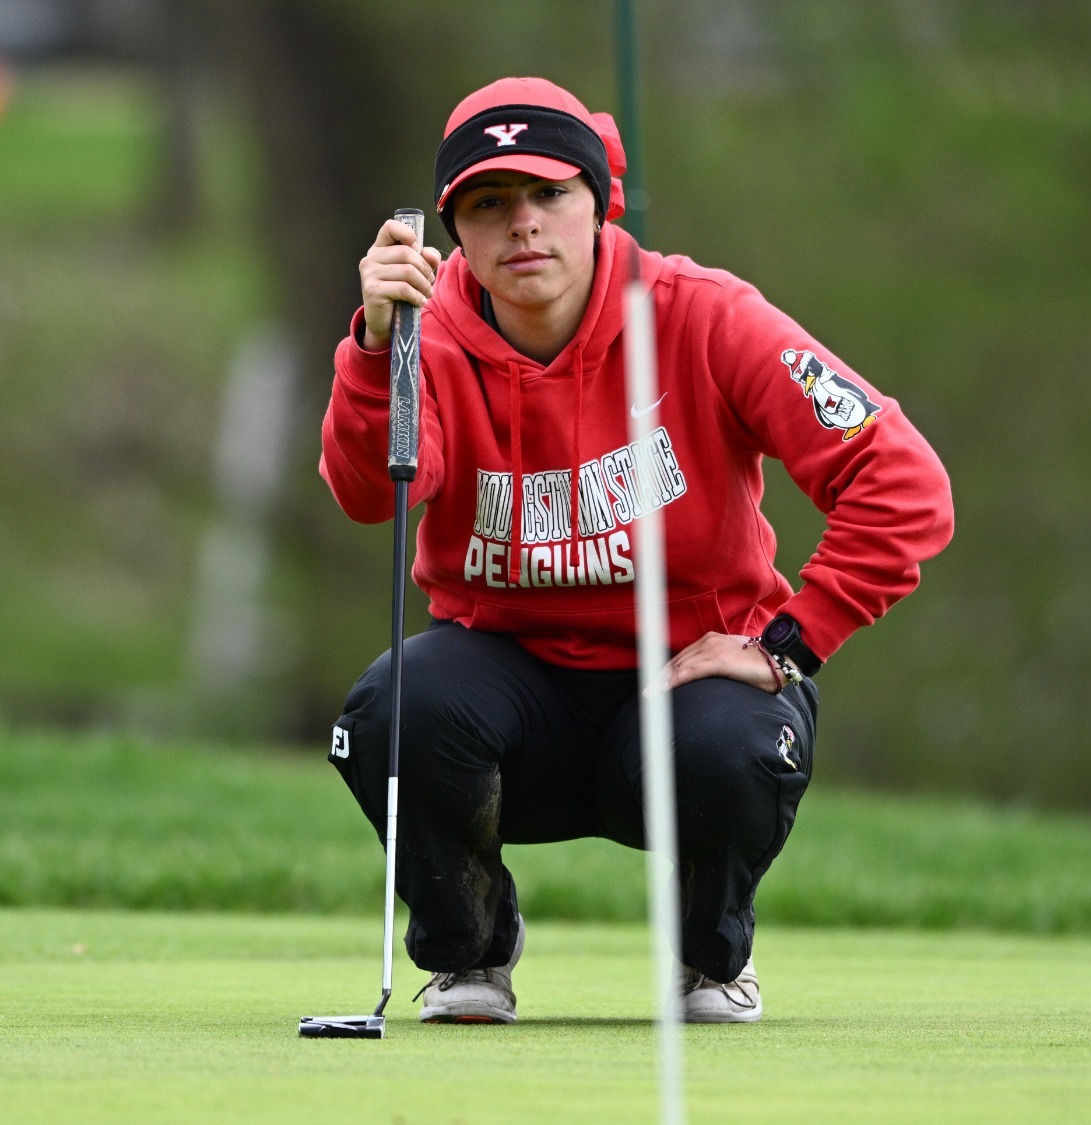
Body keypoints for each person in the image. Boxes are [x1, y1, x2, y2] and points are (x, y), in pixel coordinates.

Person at [320, 76, 953, 1024]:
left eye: (549, 194)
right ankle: (470, 951)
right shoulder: (422, 336)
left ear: (599, 201)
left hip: (684, 687)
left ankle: (710, 958)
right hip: (506, 697)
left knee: (729, 739)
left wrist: (790, 640)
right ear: (454, 232)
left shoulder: (706, 315)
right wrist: (375, 347)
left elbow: (903, 481)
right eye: (489, 204)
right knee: (392, 705)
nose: (523, 226)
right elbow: (371, 494)